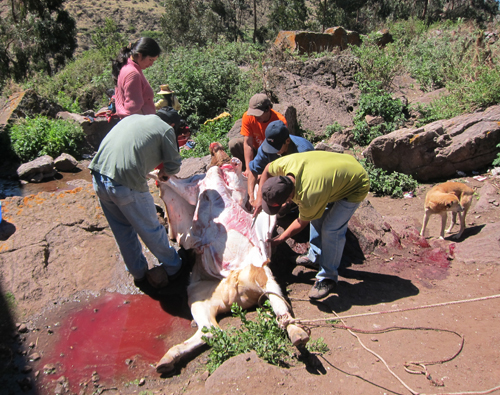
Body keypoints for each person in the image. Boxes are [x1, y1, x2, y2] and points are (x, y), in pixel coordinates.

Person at [88, 112, 189, 293]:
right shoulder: (166, 129)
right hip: (124, 183)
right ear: (172, 125)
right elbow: (174, 165)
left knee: (122, 231)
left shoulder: (132, 118)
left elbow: (130, 152)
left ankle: (138, 273)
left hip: (98, 176)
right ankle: (174, 267)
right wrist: (164, 173)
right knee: (150, 228)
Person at [254, 151, 370, 299]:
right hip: (340, 167)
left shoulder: (308, 194)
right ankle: (315, 257)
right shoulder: (285, 165)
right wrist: (258, 198)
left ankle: (327, 277)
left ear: (289, 197)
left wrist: (280, 239)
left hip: (356, 183)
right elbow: (267, 168)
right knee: (316, 215)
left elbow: (301, 221)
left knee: (331, 229)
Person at [247, 120, 314, 206]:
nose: (272, 151)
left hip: (299, 186)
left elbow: (309, 181)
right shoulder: (267, 146)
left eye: (276, 148)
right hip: (278, 182)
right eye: (269, 147)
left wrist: (286, 202)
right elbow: (253, 170)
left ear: (287, 141)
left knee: (281, 212)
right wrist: (252, 197)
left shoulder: (304, 151)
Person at [228, 93, 287, 176]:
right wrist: (249, 168)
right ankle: (248, 172)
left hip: (271, 153)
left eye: (258, 113)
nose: (255, 116)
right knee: (234, 144)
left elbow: (281, 149)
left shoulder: (279, 121)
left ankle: (266, 173)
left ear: (268, 109)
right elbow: (248, 143)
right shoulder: (248, 117)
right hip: (256, 150)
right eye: (253, 112)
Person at [112, 37, 161, 118]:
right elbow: (133, 109)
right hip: (139, 125)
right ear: (139, 55)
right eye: (150, 59)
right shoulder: (133, 74)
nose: (151, 64)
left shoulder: (126, 66)